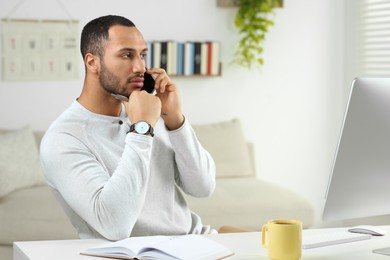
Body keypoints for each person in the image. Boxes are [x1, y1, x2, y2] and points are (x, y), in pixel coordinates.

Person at [40, 15, 216, 241]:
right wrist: (141, 128)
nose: (140, 67)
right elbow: (115, 225)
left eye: (142, 55)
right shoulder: (63, 139)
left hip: (196, 242)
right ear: (92, 62)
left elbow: (203, 187)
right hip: (134, 253)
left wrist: (175, 120)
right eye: (126, 55)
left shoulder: (149, 110)